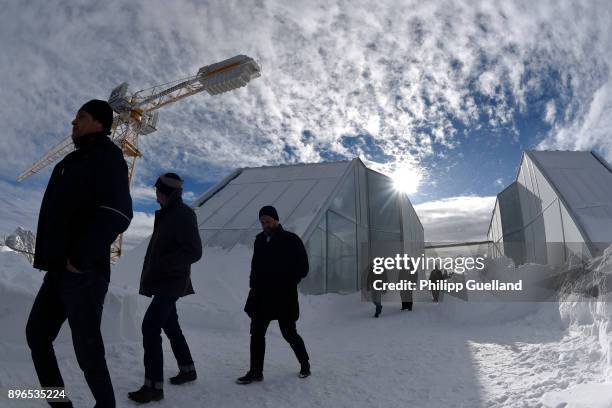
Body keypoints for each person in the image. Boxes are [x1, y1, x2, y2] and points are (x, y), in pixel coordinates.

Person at [26, 99, 133, 408]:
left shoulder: (107, 156)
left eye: (80, 118)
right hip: (60, 269)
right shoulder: (74, 160)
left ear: (99, 123)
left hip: (83, 272)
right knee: (37, 335)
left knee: (87, 350)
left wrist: (79, 259)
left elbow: (118, 212)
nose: (73, 123)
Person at [128, 173, 202, 403]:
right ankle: (188, 369)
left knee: (150, 327)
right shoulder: (170, 213)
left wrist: (163, 264)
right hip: (166, 281)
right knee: (171, 325)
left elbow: (194, 251)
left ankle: (154, 386)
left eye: (157, 190)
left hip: (171, 282)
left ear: (165, 192)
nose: (155, 194)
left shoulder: (182, 214)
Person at [237, 206, 310, 384]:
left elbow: (303, 268)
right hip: (261, 296)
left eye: (268, 221)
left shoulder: (291, 240)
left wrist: (287, 281)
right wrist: (253, 284)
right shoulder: (259, 240)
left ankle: (305, 365)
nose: (265, 225)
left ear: (276, 220)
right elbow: (255, 265)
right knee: (256, 333)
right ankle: (255, 372)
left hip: (284, 296)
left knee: (289, 333)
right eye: (262, 222)